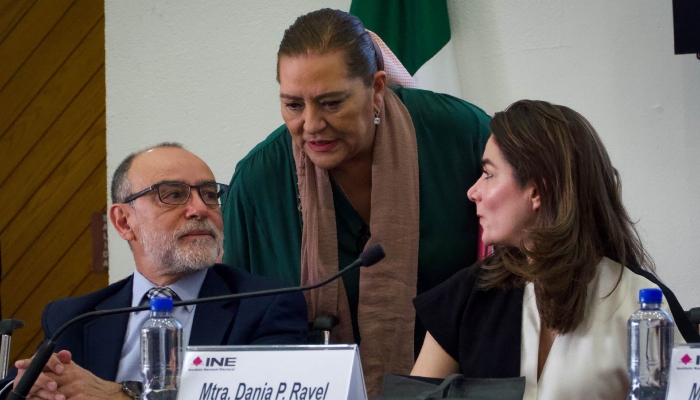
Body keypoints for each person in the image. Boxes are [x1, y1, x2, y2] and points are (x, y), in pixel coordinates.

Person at [220, 8, 491, 394]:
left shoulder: (461, 136)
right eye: (293, 105)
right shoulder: (257, 184)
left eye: (331, 103)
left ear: (377, 88)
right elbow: (238, 328)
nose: (311, 125)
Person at [410, 100, 700, 399]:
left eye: (488, 174)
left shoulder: (641, 305)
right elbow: (417, 396)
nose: (473, 192)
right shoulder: (469, 293)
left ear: (537, 191)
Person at [0, 143, 308, 399]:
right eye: (173, 195)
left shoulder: (266, 307)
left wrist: (122, 396)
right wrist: (30, 388)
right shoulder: (75, 317)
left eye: (210, 194)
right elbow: (17, 387)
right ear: (124, 222)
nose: (200, 208)